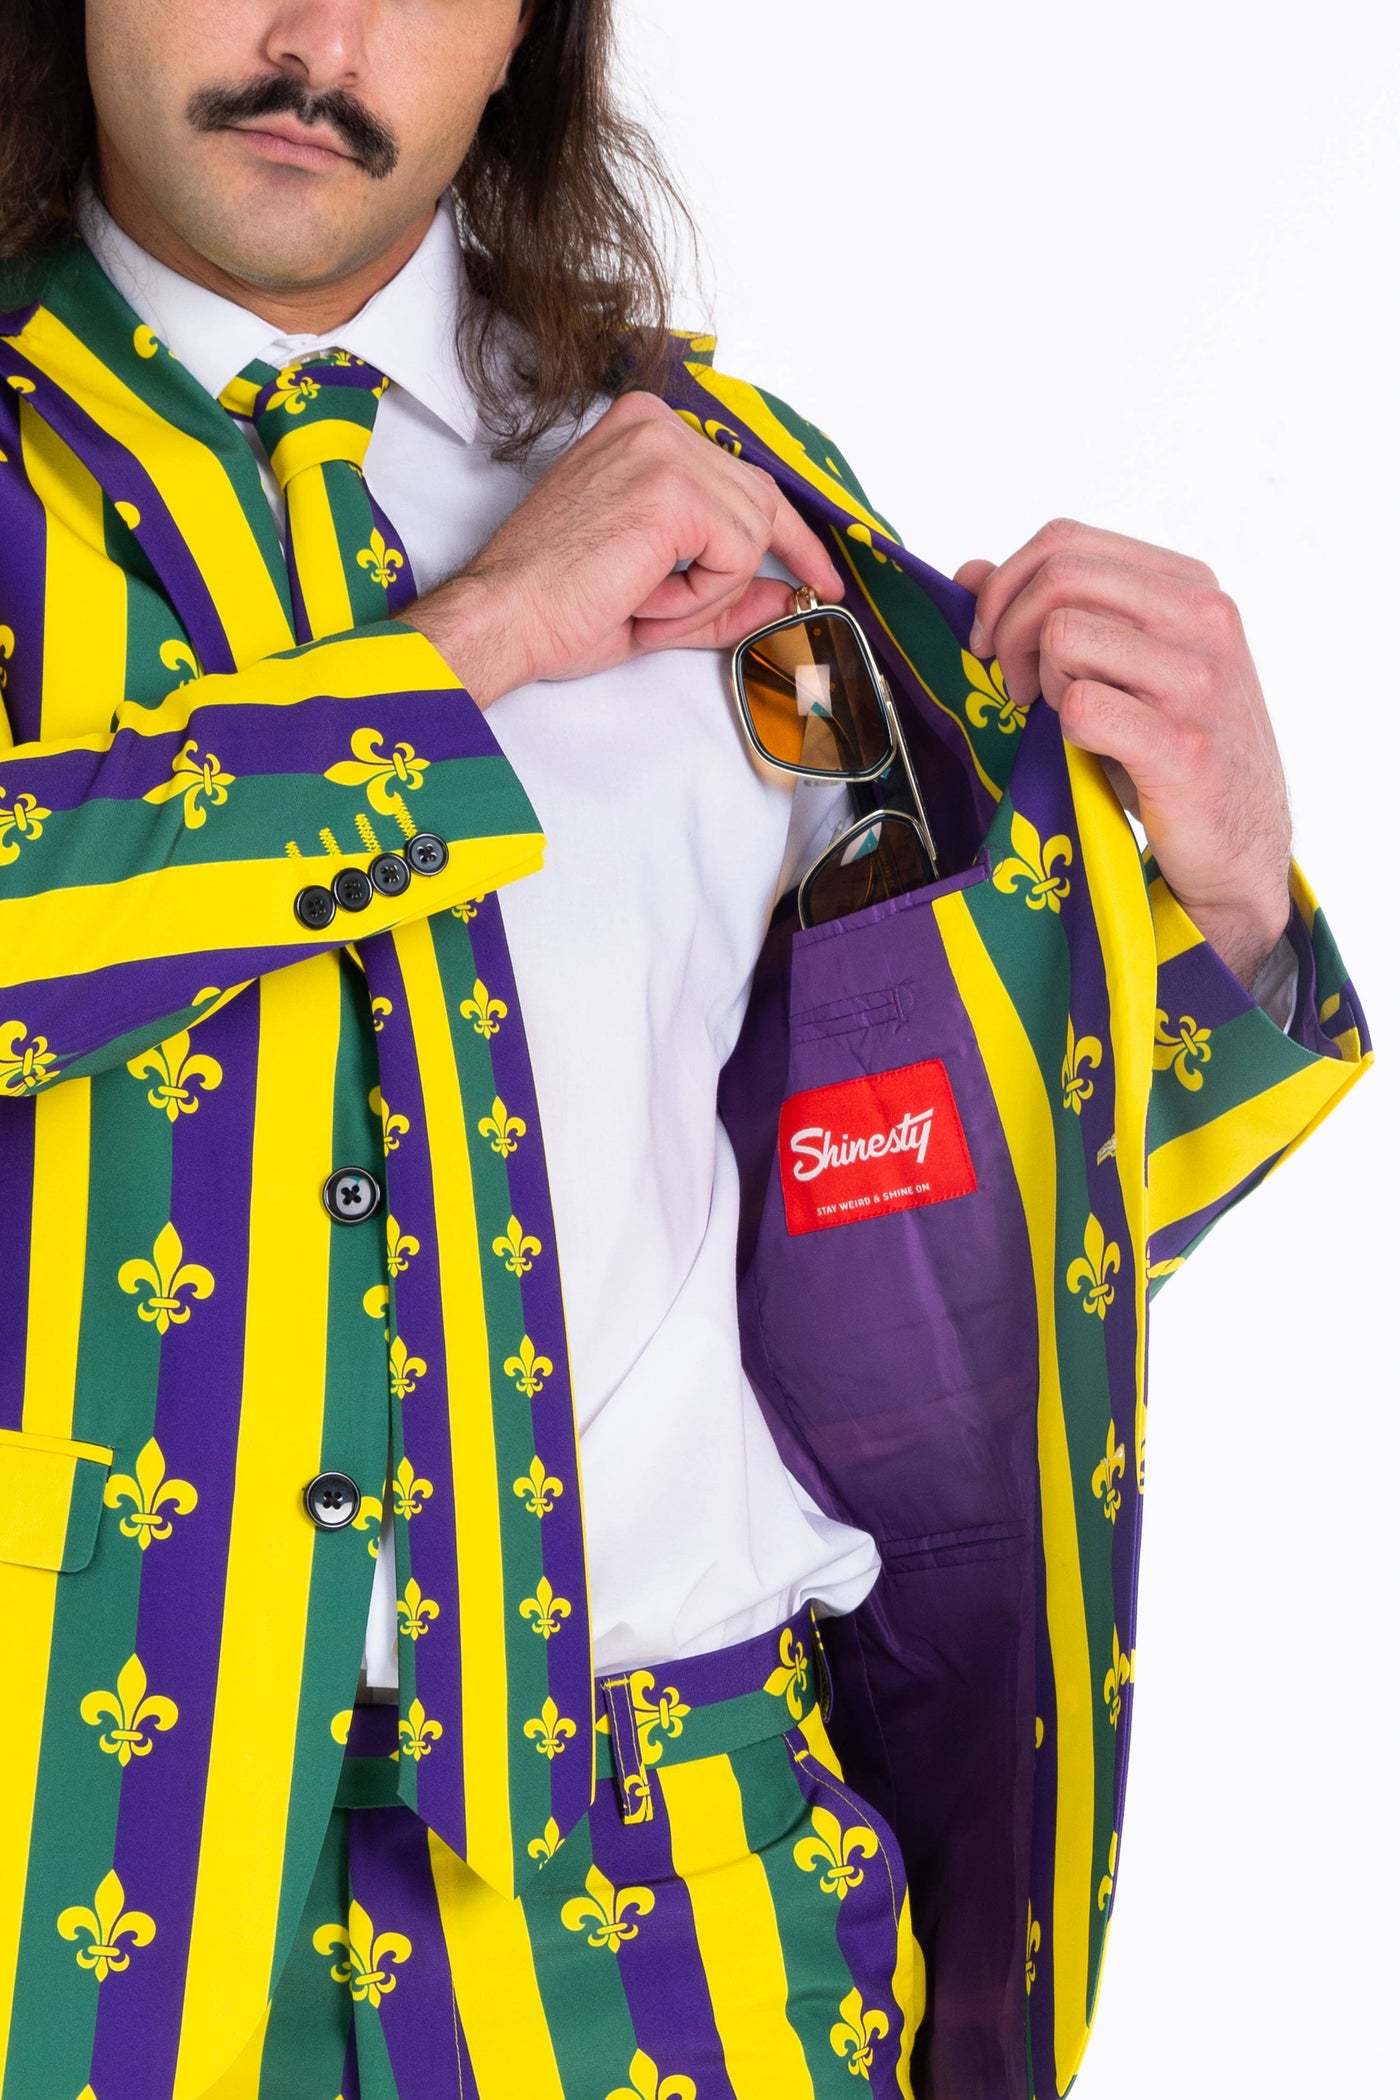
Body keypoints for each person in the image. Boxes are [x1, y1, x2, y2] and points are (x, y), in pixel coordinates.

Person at [0, 5, 1369, 2098]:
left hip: (687, 1926)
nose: (318, 39)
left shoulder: (727, 502)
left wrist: (1234, 902)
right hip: (75, 1881)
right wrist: (464, 652)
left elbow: (943, 1225)